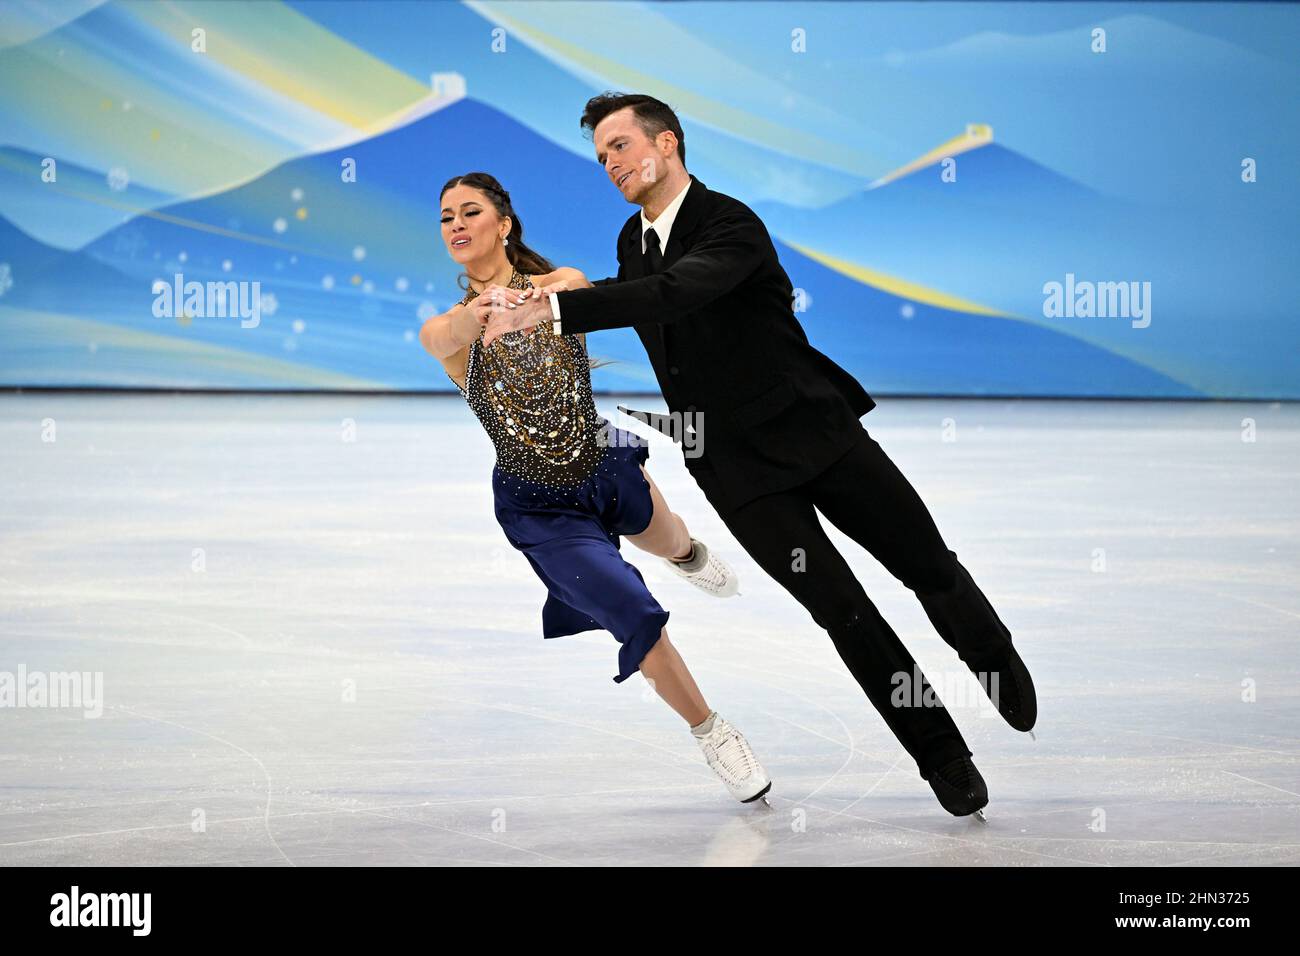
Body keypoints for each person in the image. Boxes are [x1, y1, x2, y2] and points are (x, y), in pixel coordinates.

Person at [477, 93, 1038, 818]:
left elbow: (683, 290)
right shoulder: (632, 241)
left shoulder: (730, 222)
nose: (610, 162)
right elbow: (650, 290)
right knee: (843, 611)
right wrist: (583, 288)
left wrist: (555, 309)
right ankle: (943, 756)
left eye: (620, 145)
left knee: (925, 564)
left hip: (818, 436)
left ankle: (990, 654)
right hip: (735, 469)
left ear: (667, 143)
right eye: (601, 154)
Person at [419, 170, 772, 804]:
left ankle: (689, 557)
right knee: (631, 609)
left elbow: (576, 286)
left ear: (503, 225)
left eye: (471, 212)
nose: (457, 225)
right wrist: (479, 316)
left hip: (603, 462)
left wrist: (529, 300)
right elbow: (452, 337)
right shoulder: (443, 328)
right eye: (446, 217)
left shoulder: (563, 289)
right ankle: (710, 728)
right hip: (538, 506)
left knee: (669, 540)